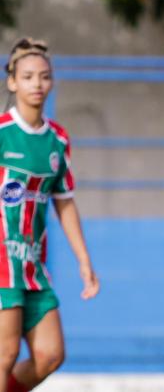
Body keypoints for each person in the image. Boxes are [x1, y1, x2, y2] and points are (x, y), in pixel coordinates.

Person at [0, 38, 101, 392]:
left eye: (44, 77)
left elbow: (65, 202)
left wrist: (84, 261)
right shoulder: (2, 134)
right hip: (1, 263)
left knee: (50, 356)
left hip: (32, 265)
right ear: (12, 81)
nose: (37, 84)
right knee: (6, 353)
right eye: (27, 77)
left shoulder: (57, 138)